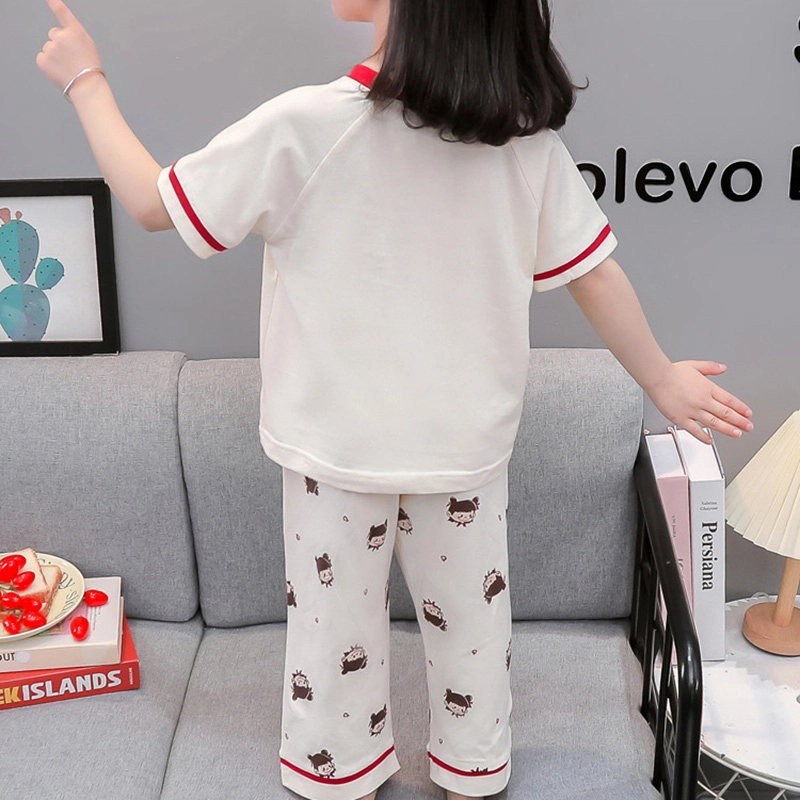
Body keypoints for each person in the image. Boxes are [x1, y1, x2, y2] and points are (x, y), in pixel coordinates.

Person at [35, 1, 753, 799]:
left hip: (336, 453)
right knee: (473, 635)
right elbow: (594, 273)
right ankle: (472, 774)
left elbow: (151, 203)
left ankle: (340, 773)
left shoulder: (309, 126)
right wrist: (660, 377)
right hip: (460, 450)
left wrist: (86, 81)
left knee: (331, 640)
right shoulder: (517, 141)